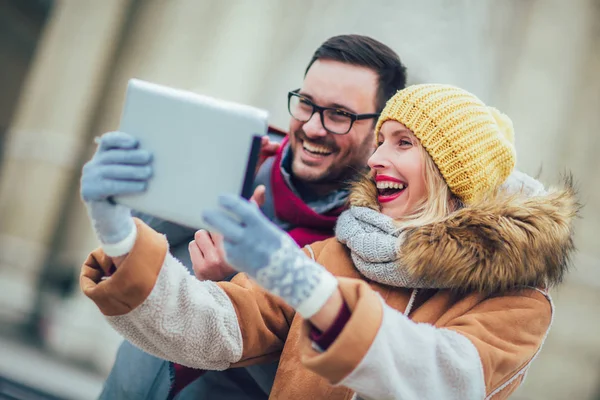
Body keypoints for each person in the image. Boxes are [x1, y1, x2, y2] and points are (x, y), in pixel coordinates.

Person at [80, 83, 580, 399]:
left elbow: (437, 378)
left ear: (454, 176)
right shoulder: (332, 254)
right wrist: (119, 232)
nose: (377, 159)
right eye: (380, 141)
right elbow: (214, 327)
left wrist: (299, 281)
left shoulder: (517, 301)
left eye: (403, 144)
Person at [96, 34, 408, 399]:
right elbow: (133, 255)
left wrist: (236, 283)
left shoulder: (374, 246)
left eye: (339, 114)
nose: (311, 127)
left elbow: (305, 384)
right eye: (306, 104)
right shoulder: (239, 168)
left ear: (379, 131)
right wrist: (197, 186)